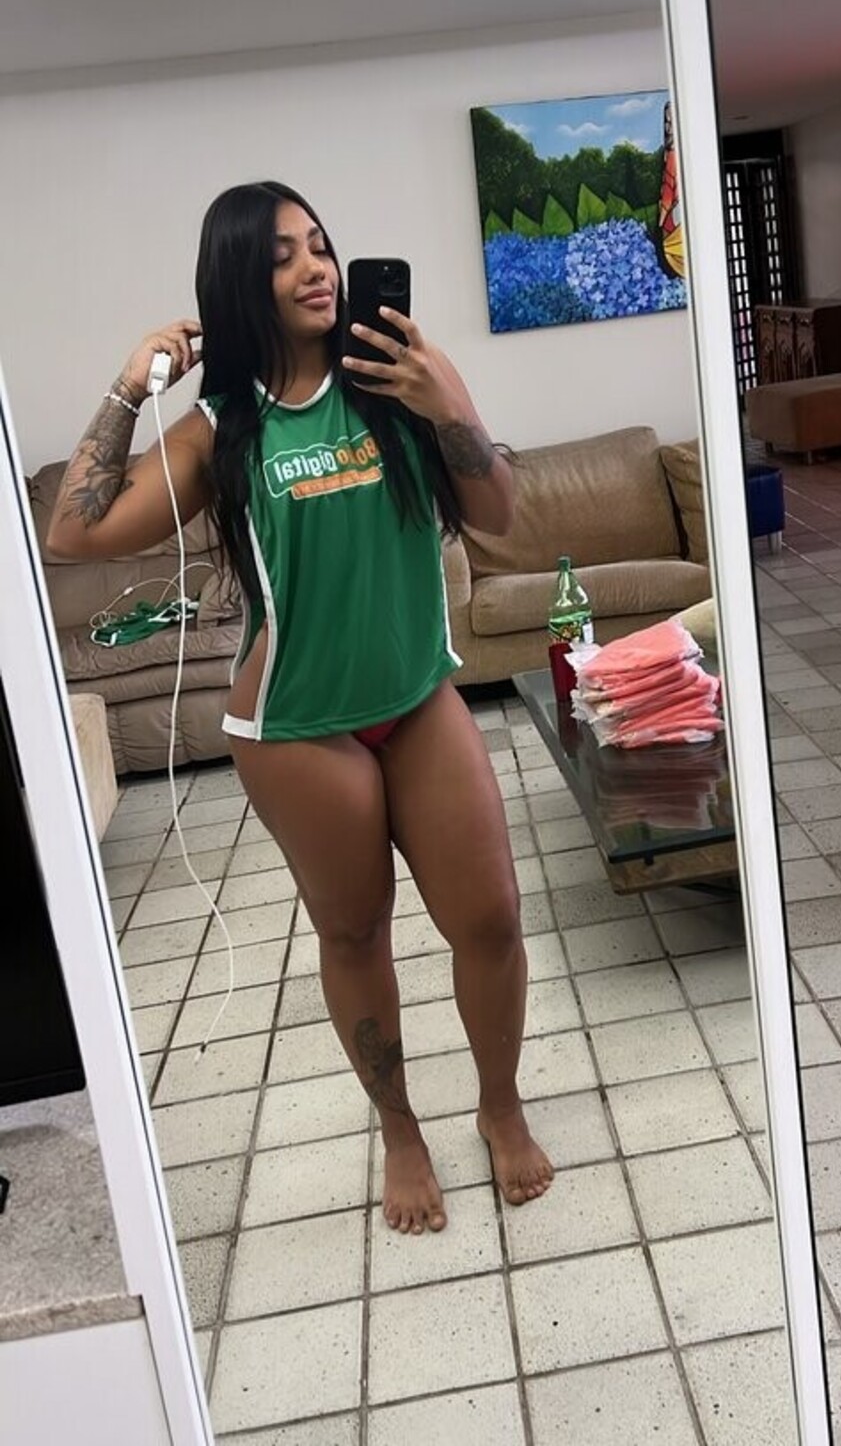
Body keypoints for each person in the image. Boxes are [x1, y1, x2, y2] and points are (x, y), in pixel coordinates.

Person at [47, 180, 554, 1234]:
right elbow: (75, 530)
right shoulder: (222, 428)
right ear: (242, 278)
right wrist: (132, 383)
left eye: (319, 244)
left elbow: (502, 515)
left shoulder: (402, 378)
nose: (315, 267)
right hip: (294, 728)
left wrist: (447, 402)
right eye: (282, 255)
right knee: (355, 930)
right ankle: (401, 1131)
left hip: (418, 697)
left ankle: (499, 1104)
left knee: (492, 918)